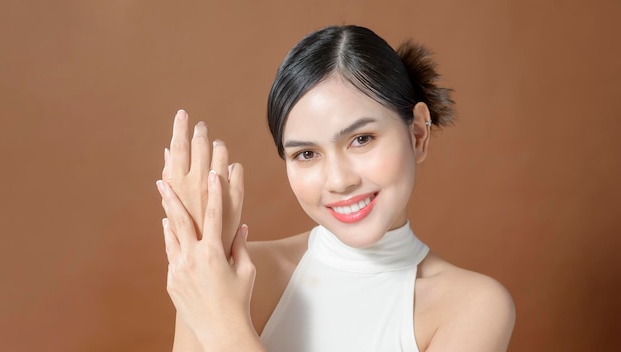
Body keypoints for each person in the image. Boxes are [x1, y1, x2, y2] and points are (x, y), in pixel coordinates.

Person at [156, 25, 515, 352]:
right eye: (307, 153)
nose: (340, 180)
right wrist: (203, 250)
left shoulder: (473, 307)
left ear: (418, 133)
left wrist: (223, 321)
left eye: (361, 139)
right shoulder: (232, 273)